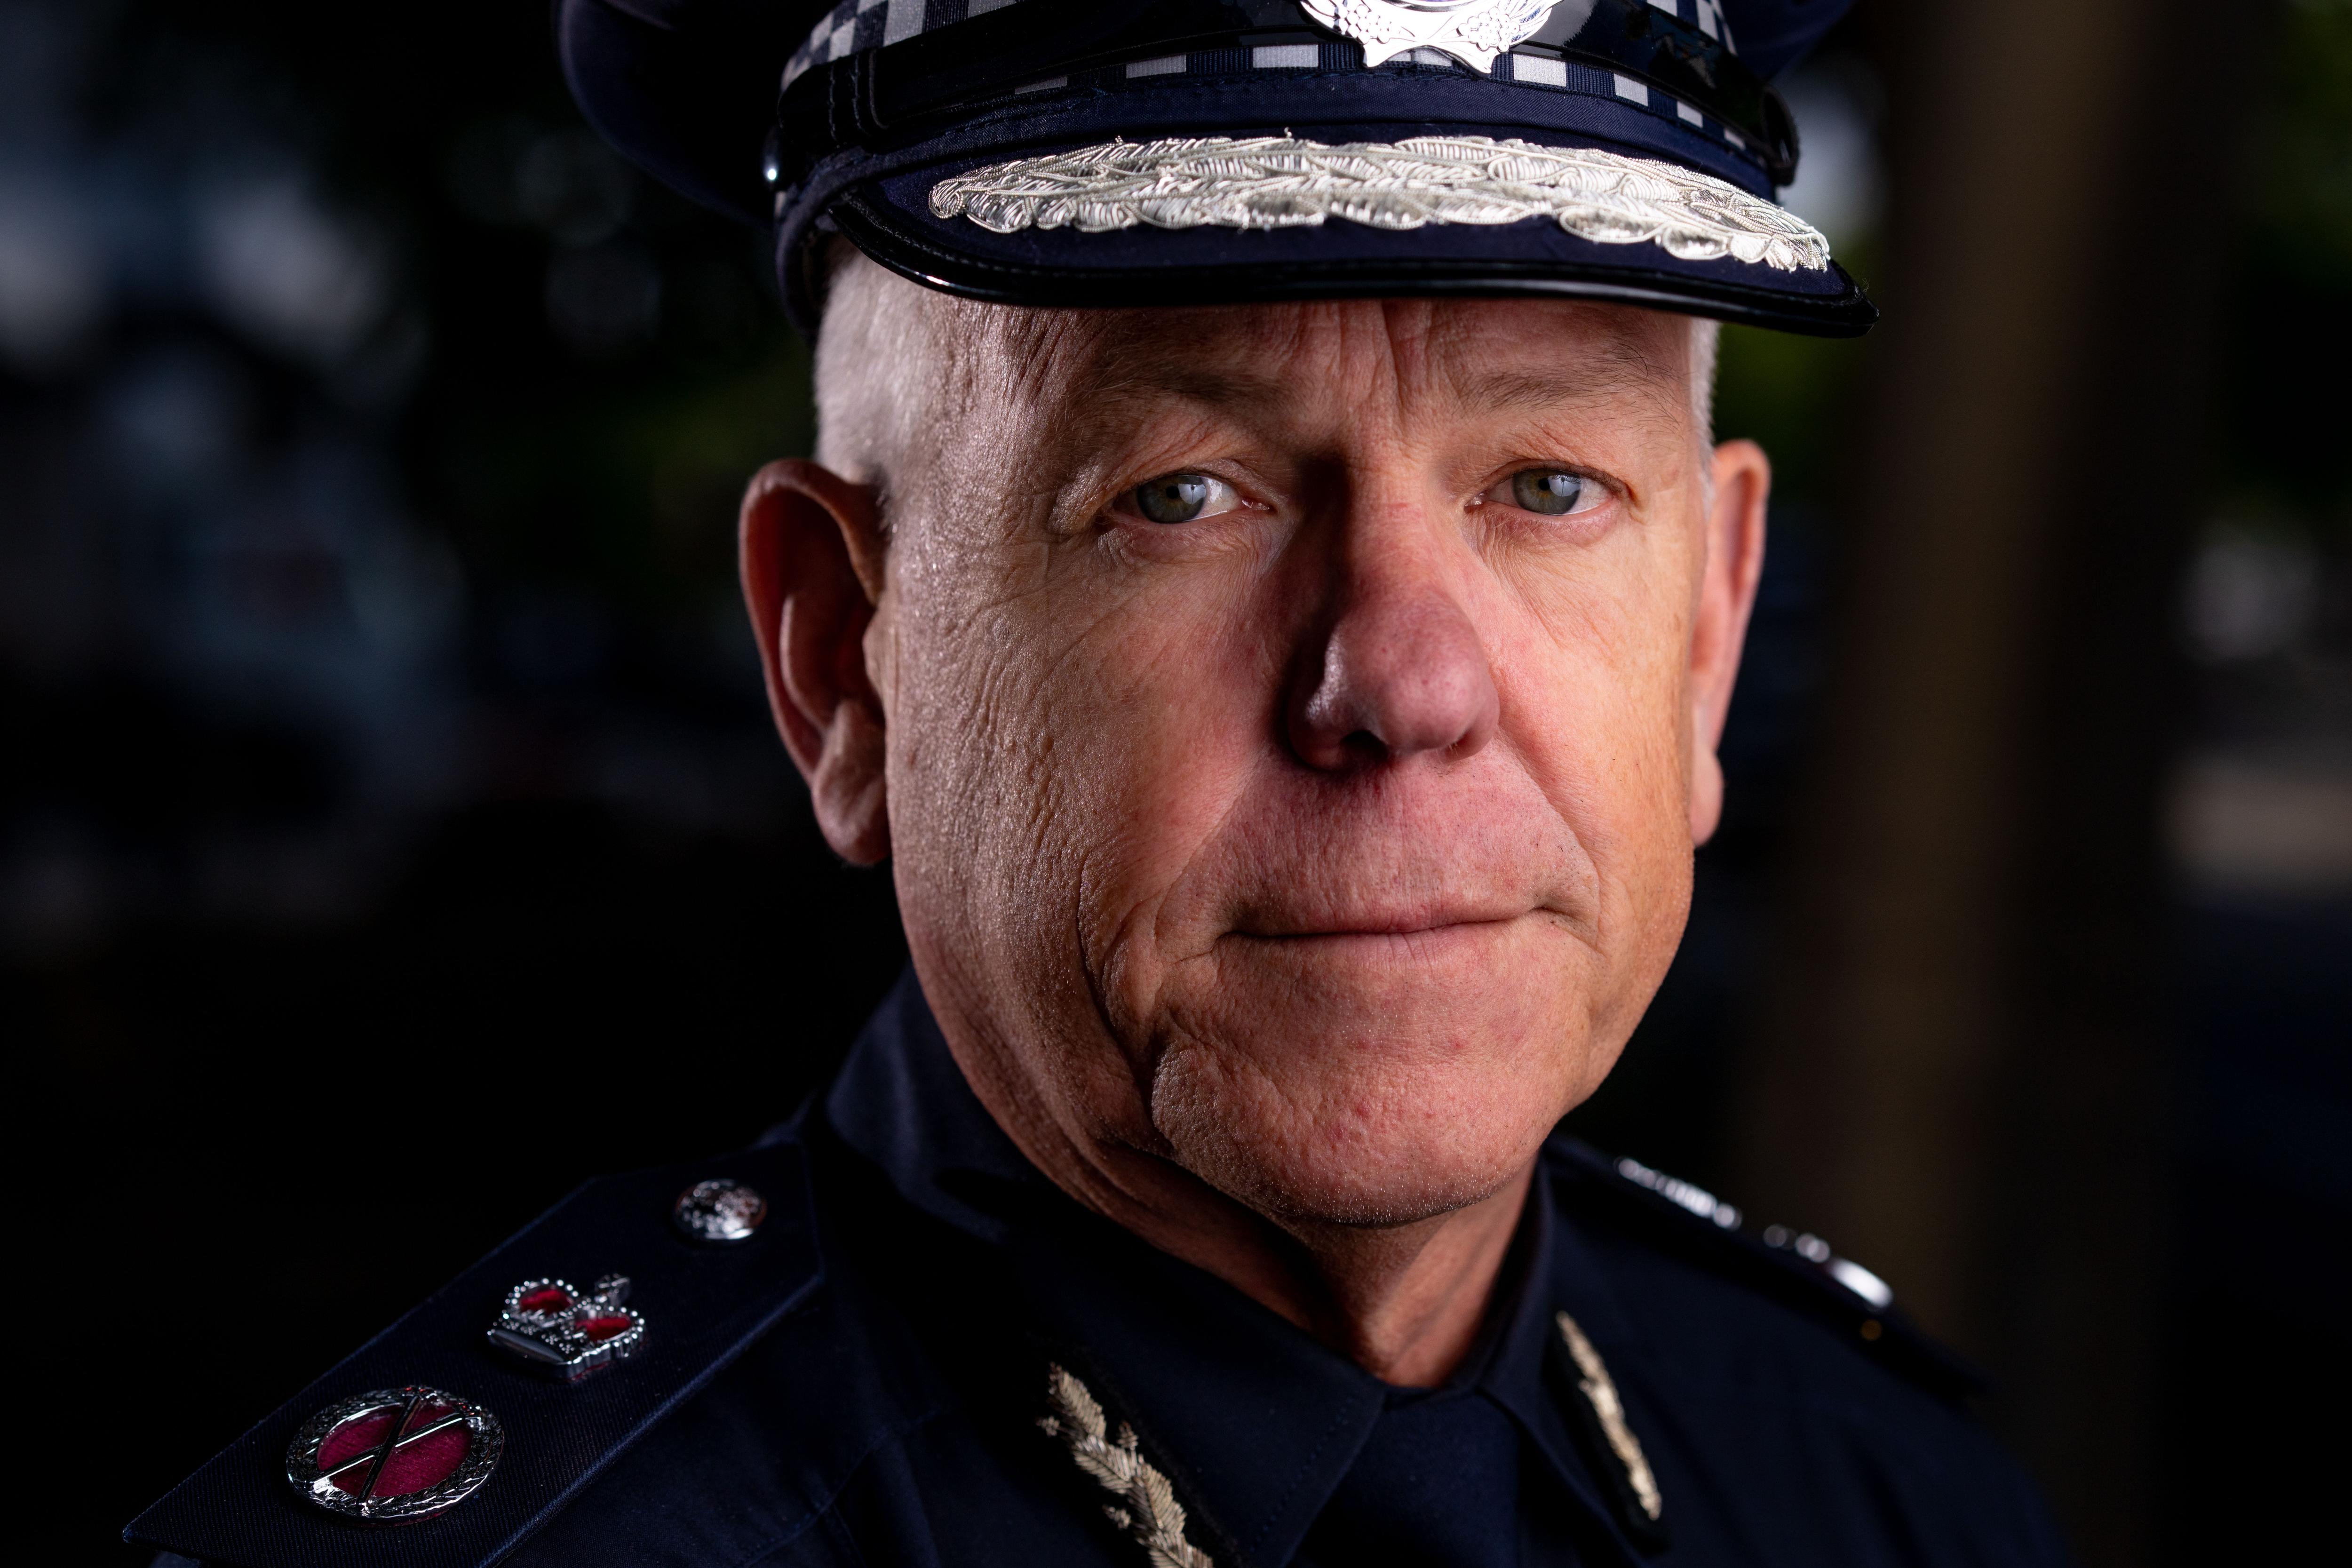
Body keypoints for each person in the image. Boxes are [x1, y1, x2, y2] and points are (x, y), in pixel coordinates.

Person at [130, 3, 2070, 1565]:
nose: (1399, 684)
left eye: (1546, 487)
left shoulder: (1886, 1497)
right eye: (1182, 497)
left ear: (1711, 630)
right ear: (841, 660)